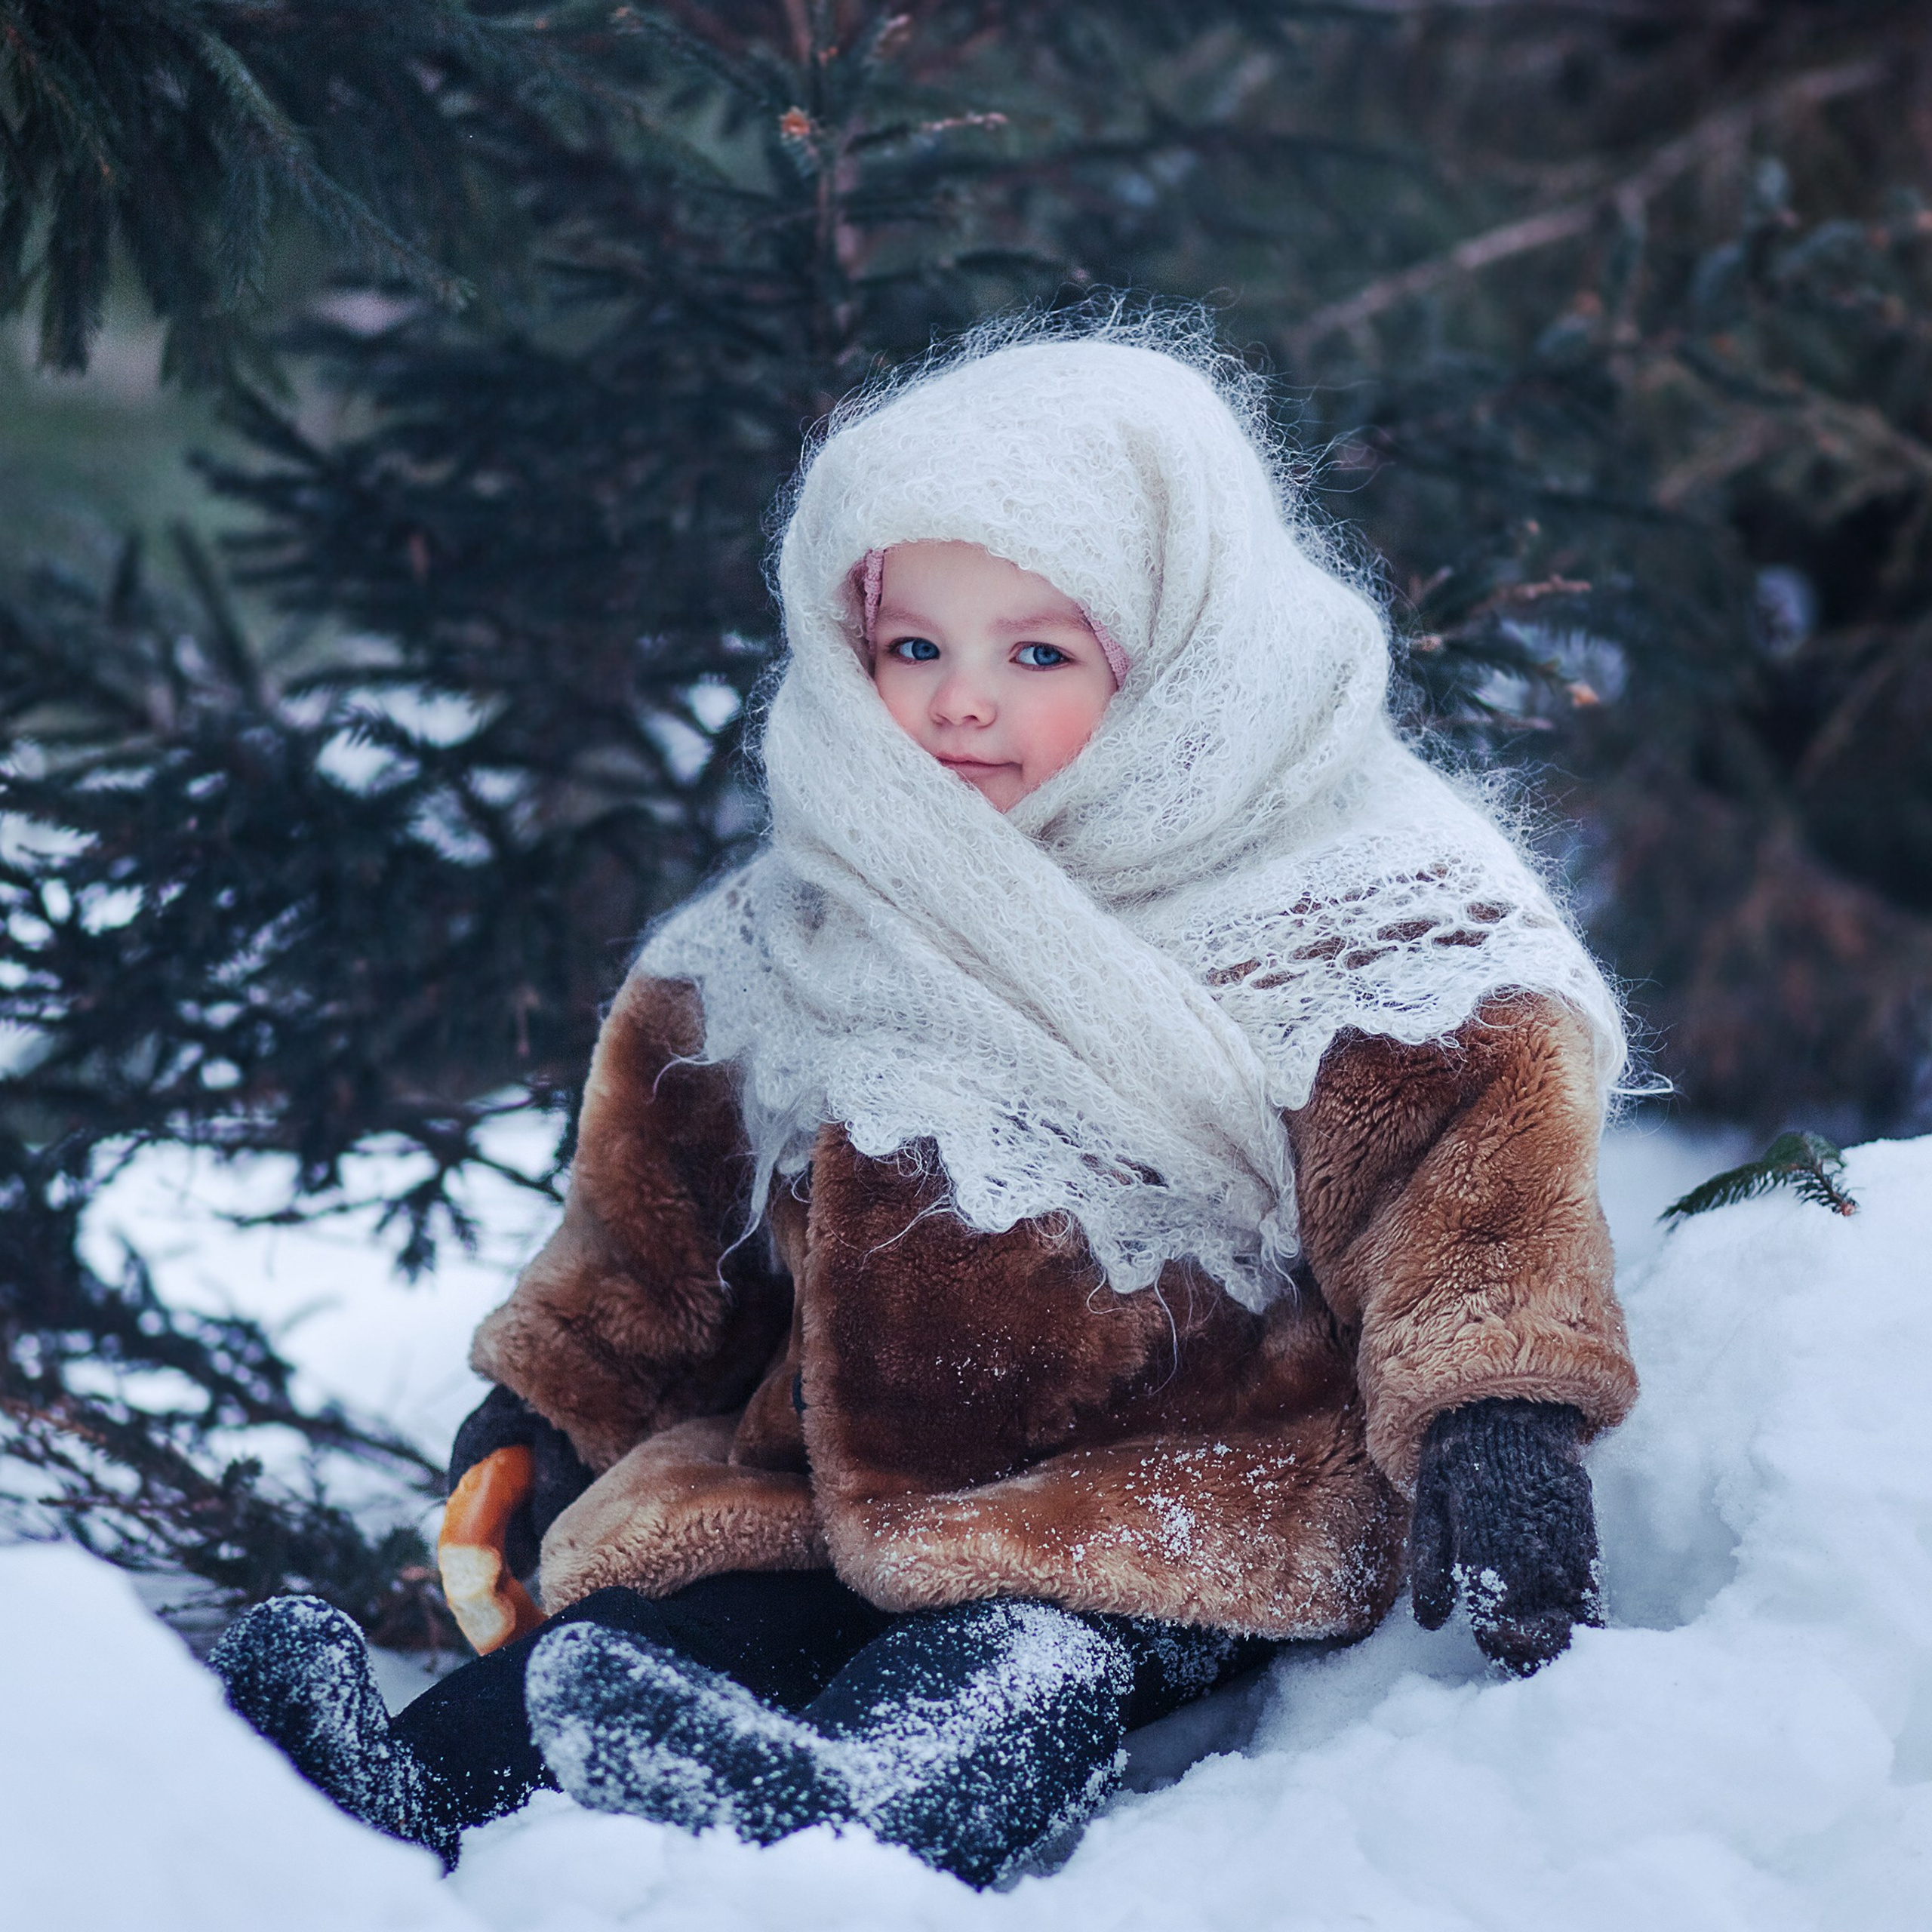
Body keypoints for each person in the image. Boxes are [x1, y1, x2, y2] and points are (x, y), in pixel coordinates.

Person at [211, 318, 1638, 1888]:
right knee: (665, 1625)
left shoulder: (1355, 897)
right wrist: (553, 1402)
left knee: (1022, 1657)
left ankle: (842, 1817)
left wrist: (1493, 1408)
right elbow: (662, 1215)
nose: (960, 705)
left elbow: (1468, 1175)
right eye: (913, 650)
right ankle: (386, 1795)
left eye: (1036, 654)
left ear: (1171, 653)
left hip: (1168, 1492)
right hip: (821, 1488)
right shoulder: (805, 916)